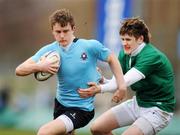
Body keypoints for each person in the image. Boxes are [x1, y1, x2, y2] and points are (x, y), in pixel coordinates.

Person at [15, 9, 126, 135]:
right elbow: (19, 70)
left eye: (65, 31)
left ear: (73, 28)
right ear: (52, 31)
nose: (62, 36)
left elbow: (112, 58)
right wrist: (40, 66)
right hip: (60, 105)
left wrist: (121, 86)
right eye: (58, 32)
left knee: (44, 132)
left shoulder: (89, 46)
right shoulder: (50, 51)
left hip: (82, 109)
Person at [78, 17, 176, 135]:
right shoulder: (124, 54)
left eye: (128, 39)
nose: (124, 43)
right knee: (97, 128)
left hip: (158, 109)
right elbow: (117, 82)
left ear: (140, 39)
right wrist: (102, 80)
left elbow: (125, 81)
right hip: (138, 103)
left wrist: (98, 89)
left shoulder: (151, 56)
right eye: (122, 39)